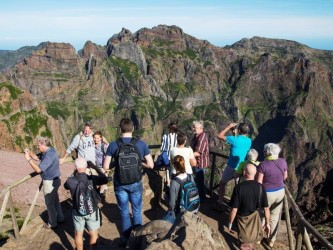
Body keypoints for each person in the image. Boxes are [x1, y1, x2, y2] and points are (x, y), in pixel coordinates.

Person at [103, 118, 154, 248]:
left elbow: (106, 166)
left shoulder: (114, 145)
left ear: (120, 129)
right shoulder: (141, 144)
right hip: (136, 182)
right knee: (137, 210)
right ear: (133, 129)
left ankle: (125, 238)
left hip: (120, 183)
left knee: (124, 211)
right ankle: (138, 237)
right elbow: (151, 165)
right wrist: (140, 163)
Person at [64, 158, 108, 250]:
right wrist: (94, 167)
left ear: (75, 167)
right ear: (86, 167)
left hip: (77, 211)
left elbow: (65, 186)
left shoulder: (70, 180)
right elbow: (105, 179)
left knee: (78, 233)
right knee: (93, 233)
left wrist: (74, 171)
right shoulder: (92, 178)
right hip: (92, 210)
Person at [24, 136, 64, 229]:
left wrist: (28, 159)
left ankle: (52, 223)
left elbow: (38, 170)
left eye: (38, 145)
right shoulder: (49, 151)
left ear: (43, 144)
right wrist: (29, 152)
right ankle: (60, 218)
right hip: (55, 180)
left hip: (50, 181)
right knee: (55, 201)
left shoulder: (49, 155)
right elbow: (37, 157)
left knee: (50, 203)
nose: (37, 147)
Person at [229, 163, 270, 249]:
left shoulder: (239, 188)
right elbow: (266, 209)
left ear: (244, 172)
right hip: (255, 218)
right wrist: (267, 223)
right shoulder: (261, 187)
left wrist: (230, 222)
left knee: (244, 241)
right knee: (251, 240)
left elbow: (234, 209)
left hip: (242, 219)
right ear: (255, 174)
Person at [257, 143, 288, 248]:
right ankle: (271, 240)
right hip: (280, 192)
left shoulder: (263, 165)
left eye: (264, 151)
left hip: (267, 193)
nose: (263, 152)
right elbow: (285, 176)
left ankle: (258, 238)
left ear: (267, 152)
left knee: (262, 214)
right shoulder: (283, 161)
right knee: (274, 217)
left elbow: (259, 182)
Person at [216, 122, 251, 210]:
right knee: (237, 187)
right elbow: (238, 143)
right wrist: (234, 133)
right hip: (241, 167)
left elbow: (219, 136)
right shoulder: (249, 141)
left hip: (231, 166)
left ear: (239, 130)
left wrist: (229, 127)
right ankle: (235, 206)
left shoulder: (234, 139)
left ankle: (220, 202)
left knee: (222, 183)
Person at [164, 155, 197, 223]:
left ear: (175, 166)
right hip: (193, 208)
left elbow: (172, 204)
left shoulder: (174, 182)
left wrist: (167, 194)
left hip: (181, 212)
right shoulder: (190, 176)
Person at [190, 120, 210, 202]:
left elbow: (198, 153)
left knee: (199, 181)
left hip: (200, 163)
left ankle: (201, 198)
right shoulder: (197, 136)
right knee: (197, 180)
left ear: (201, 128)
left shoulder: (202, 138)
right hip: (196, 162)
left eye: (194, 127)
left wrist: (186, 155)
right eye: (193, 127)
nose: (193, 129)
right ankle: (199, 195)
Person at [93, 130, 109, 197]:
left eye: (97, 138)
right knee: (97, 181)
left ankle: (101, 195)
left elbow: (110, 150)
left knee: (102, 181)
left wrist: (106, 142)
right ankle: (103, 190)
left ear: (101, 138)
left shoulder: (103, 146)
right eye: (95, 138)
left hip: (103, 167)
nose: (96, 139)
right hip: (95, 167)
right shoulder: (92, 145)